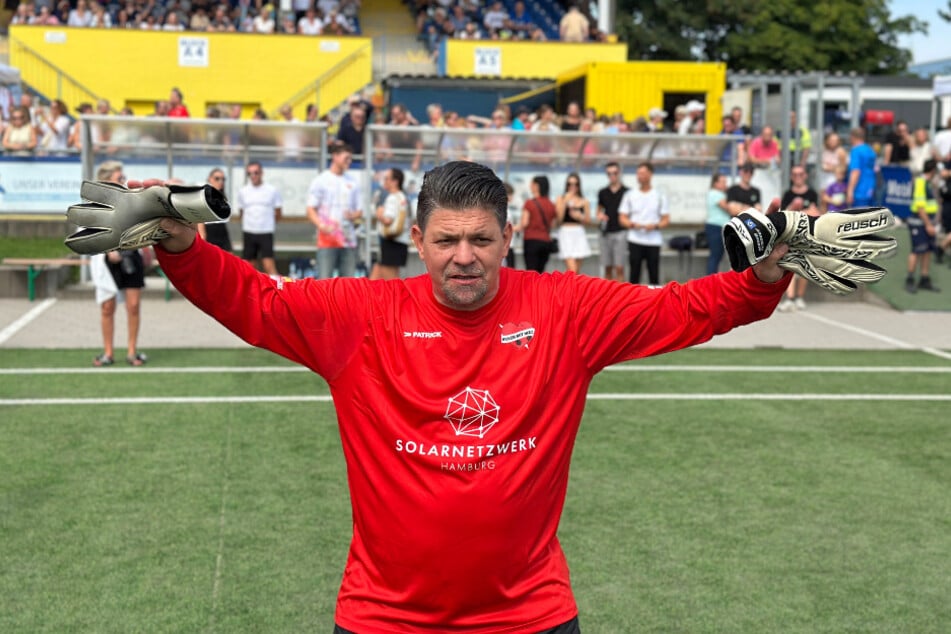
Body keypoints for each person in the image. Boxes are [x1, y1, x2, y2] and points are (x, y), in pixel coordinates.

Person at [147, 159, 792, 632]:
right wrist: (182, 247)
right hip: (384, 617)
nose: (464, 257)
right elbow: (254, 299)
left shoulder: (565, 309)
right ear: (419, 242)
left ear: (507, 241)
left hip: (529, 614)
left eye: (481, 239)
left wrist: (762, 280)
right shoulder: (360, 315)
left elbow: (682, 308)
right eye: (447, 240)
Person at [90, 161, 147, 367]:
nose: (123, 181)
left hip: (131, 257)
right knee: (107, 307)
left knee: (133, 306)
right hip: (107, 262)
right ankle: (108, 352)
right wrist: (108, 249)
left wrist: (146, 247)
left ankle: (132, 352)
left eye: (123, 177)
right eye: (119, 178)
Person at [306, 143, 362, 279]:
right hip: (327, 239)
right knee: (324, 281)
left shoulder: (353, 182)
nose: (349, 162)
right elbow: (310, 209)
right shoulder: (321, 180)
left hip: (348, 239)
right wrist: (321, 226)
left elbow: (359, 212)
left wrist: (352, 215)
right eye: (346, 158)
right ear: (335, 156)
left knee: (348, 283)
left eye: (350, 159)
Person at [777, 166, 821, 311]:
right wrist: (803, 212)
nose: (798, 177)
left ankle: (799, 298)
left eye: (800, 174)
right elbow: (784, 215)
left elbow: (816, 213)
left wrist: (797, 211)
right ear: (791, 177)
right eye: (795, 174)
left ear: (805, 175)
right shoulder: (787, 194)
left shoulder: (812, 193)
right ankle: (789, 298)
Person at [619, 162, 669, 285]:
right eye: (638, 173)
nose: (639, 176)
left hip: (653, 240)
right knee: (634, 276)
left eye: (642, 173)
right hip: (635, 239)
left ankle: (656, 302)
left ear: (650, 175)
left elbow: (665, 219)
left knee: (654, 276)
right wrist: (632, 224)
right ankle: (633, 302)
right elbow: (622, 217)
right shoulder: (629, 195)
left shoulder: (659, 196)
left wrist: (655, 226)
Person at [236, 161, 283, 275]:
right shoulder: (243, 191)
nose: (253, 176)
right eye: (250, 173)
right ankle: (251, 292)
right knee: (249, 267)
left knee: (268, 265)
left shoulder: (272, 190)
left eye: (256, 172)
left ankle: (277, 290)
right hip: (249, 232)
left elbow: (278, 212)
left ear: (262, 173)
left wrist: (268, 224)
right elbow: (241, 211)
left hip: (265, 232)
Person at [905, 159, 940, 293]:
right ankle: (910, 279)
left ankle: (924, 279)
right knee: (917, 250)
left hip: (927, 223)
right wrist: (928, 225)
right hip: (919, 223)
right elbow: (920, 207)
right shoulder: (920, 183)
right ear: (933, 171)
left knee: (927, 250)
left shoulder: (928, 183)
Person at [370, 167, 410, 280]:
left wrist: (378, 214)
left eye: (387, 178)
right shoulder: (402, 197)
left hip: (391, 242)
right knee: (377, 275)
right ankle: (367, 297)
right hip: (398, 242)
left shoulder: (393, 198)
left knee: (391, 281)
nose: (384, 181)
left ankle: (397, 297)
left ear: (395, 181)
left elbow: (388, 220)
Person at [518, 174, 558, 273]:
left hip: (531, 240)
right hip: (546, 242)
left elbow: (524, 223)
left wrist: (513, 228)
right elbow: (553, 224)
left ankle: (531, 289)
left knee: (531, 272)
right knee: (540, 273)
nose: (530, 186)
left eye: (532, 183)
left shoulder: (529, 203)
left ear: (537, 186)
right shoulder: (551, 204)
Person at [596, 162, 628, 282]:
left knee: (619, 267)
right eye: (609, 173)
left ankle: (621, 297)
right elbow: (598, 211)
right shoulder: (602, 192)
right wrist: (600, 216)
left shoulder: (626, 192)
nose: (612, 176)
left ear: (619, 173)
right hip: (606, 232)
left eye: (614, 173)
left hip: (620, 232)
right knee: (607, 268)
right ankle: (608, 298)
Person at [555, 172, 591, 273]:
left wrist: (580, 217)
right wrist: (564, 202)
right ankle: (567, 288)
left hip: (579, 233)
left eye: (576, 184)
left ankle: (571, 289)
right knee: (572, 270)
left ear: (579, 186)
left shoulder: (584, 201)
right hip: (565, 233)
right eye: (570, 184)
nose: (572, 187)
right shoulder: (561, 198)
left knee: (577, 272)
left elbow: (588, 221)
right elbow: (559, 219)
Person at [197, 168, 233, 252]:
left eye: (223, 179)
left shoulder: (223, 198)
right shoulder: (203, 196)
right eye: (217, 178)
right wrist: (202, 241)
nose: (221, 182)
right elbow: (200, 222)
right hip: (209, 233)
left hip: (222, 234)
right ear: (210, 179)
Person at [704, 172, 731, 275]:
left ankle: (713, 279)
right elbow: (727, 208)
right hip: (715, 227)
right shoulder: (715, 194)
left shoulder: (720, 194)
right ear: (715, 183)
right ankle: (710, 281)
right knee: (715, 256)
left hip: (719, 227)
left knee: (718, 255)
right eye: (723, 182)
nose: (725, 184)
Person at [846, 127, 878, 208]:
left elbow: (856, 171)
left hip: (859, 191)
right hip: (871, 189)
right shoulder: (870, 150)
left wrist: (850, 191)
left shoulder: (856, 151)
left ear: (852, 137)